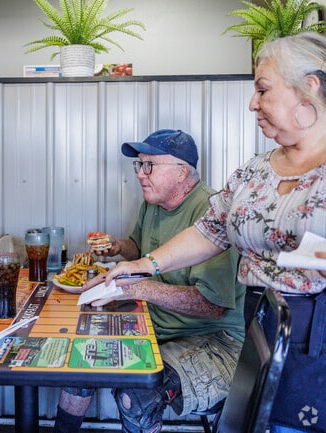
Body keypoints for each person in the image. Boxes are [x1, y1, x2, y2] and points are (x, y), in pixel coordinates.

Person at [93, 33, 326, 433]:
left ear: (310, 86)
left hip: (316, 334)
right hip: (263, 328)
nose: (253, 102)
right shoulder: (256, 170)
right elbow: (211, 230)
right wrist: (142, 265)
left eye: (263, 89)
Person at [54, 129, 245, 433]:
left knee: (135, 395)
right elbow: (139, 248)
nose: (140, 175)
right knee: (79, 357)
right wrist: (119, 248)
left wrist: (138, 288)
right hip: (153, 325)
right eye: (139, 166)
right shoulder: (152, 203)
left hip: (214, 340)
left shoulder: (210, 212)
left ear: (182, 172)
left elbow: (213, 308)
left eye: (149, 166)